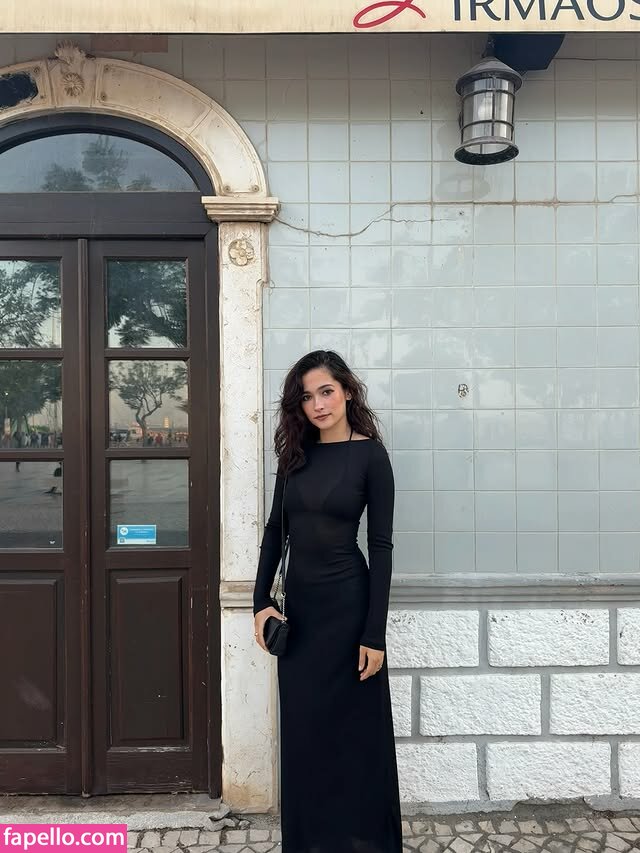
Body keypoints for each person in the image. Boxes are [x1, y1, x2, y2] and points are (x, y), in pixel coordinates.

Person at [253, 350, 402, 853]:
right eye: (307, 396)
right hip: (301, 619)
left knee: (356, 738)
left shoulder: (371, 457)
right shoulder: (294, 455)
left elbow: (381, 548)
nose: (318, 404)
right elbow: (275, 530)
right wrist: (260, 601)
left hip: (349, 614)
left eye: (326, 392)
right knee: (306, 735)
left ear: (347, 392)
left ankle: (364, 843)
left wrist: (374, 634)